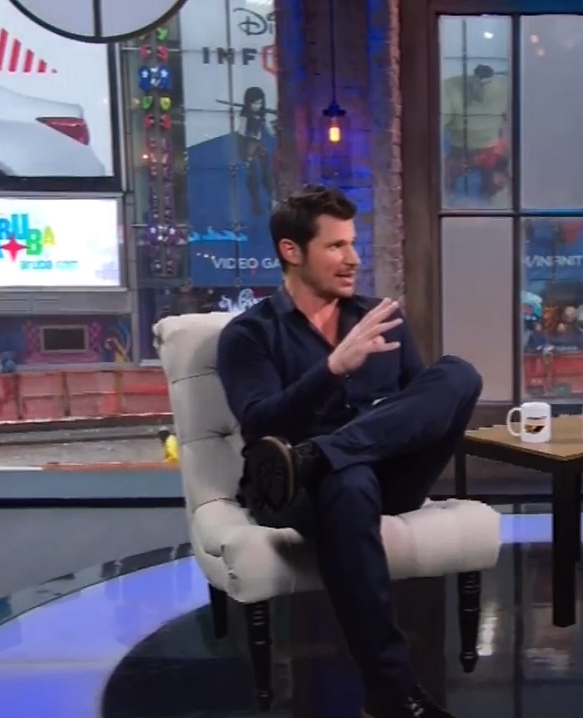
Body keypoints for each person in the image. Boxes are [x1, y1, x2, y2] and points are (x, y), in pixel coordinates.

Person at [216, 185, 482, 718]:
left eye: (353, 244)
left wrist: (338, 443)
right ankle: (392, 692)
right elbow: (260, 424)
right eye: (336, 246)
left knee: (458, 374)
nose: (353, 258)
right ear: (292, 251)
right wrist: (333, 368)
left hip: (380, 473)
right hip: (293, 487)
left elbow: (417, 411)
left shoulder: (379, 319)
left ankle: (322, 453)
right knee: (349, 480)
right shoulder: (249, 334)